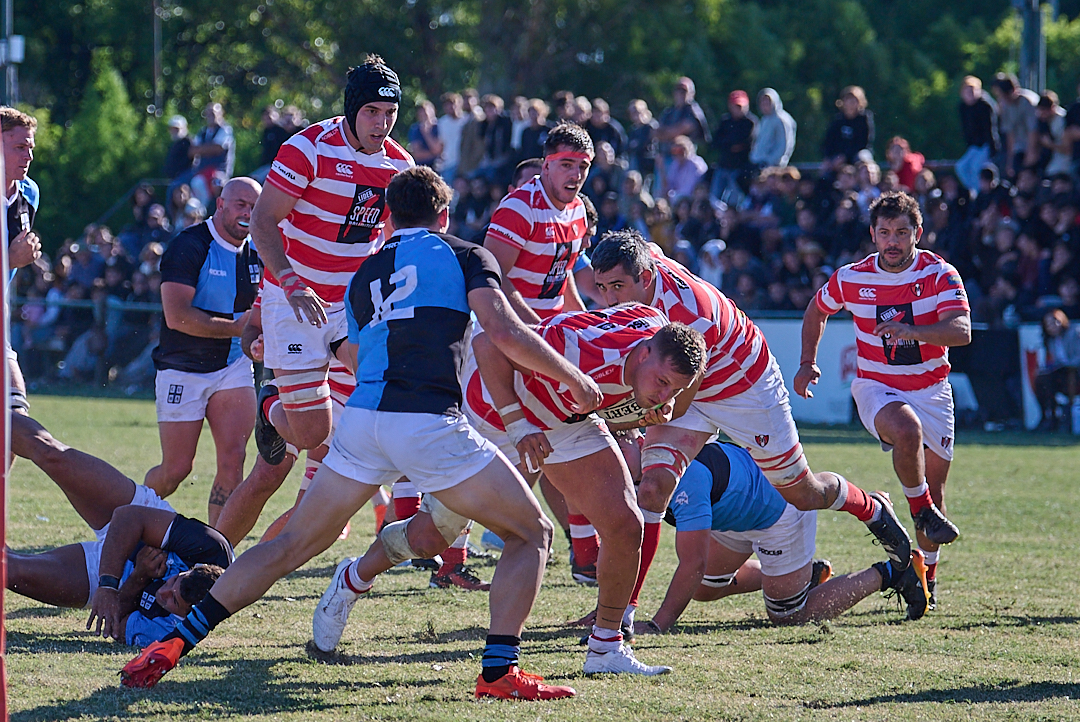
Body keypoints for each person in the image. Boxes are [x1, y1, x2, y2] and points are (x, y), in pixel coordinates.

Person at [121, 165, 604, 701]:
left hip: (362, 424)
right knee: (531, 533)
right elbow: (504, 330)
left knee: (288, 545)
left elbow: (353, 353)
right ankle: (498, 672)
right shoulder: (465, 254)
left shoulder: (366, 272)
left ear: (388, 217)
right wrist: (575, 378)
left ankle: (176, 642)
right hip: (428, 422)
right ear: (443, 215)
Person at [590, 230, 915, 629]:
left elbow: (678, 403)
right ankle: (621, 612)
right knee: (654, 488)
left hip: (743, 387)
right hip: (685, 380)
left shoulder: (692, 311)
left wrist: (620, 417)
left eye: (618, 287)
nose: (609, 300)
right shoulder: (645, 266)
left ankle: (870, 506)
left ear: (645, 276)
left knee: (804, 492)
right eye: (602, 288)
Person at [463, 303, 707, 674]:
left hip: (565, 418)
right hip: (497, 408)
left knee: (626, 525)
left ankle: (606, 648)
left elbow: (639, 378)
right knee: (431, 536)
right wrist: (516, 427)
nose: (666, 397)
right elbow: (487, 345)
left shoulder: (656, 333)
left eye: (675, 389)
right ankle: (353, 581)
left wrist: (647, 408)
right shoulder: (579, 351)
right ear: (643, 354)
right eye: (662, 384)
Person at [796, 191, 970, 609]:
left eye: (902, 233)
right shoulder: (853, 277)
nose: (893, 241)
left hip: (932, 389)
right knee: (906, 431)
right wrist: (807, 363)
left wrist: (914, 332)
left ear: (918, 234)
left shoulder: (940, 274)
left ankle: (924, 580)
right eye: (885, 233)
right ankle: (920, 508)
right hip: (877, 388)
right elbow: (816, 310)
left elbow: (962, 331)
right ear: (873, 234)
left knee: (937, 490)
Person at [249, 55, 414, 469]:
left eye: (390, 113)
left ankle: (343, 500)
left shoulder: (400, 166)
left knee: (390, 383)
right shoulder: (308, 149)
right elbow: (262, 221)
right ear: (351, 109)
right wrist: (290, 282)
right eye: (372, 112)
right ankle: (271, 403)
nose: (381, 123)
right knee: (311, 435)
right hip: (295, 300)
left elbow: (399, 239)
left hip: (351, 304)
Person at [7, 413, 231, 647]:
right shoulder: (212, 549)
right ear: (193, 568)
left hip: (123, 578)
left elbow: (118, 625)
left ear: (188, 616)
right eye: (173, 580)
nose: (163, 592)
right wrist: (107, 584)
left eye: (172, 600)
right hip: (137, 523)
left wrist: (137, 577)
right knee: (52, 454)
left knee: (10, 571)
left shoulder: (171, 632)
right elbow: (127, 516)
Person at [143, 178, 262, 527]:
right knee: (176, 470)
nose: (248, 213)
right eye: (240, 204)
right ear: (220, 204)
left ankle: (215, 546)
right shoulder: (189, 245)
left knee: (233, 458)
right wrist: (237, 328)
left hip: (233, 366)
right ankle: (122, 516)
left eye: (255, 208)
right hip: (183, 368)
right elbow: (176, 317)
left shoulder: (258, 251)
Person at [483, 122, 593, 323]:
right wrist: (537, 329)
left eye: (583, 167)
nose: (576, 176)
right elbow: (492, 277)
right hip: (511, 328)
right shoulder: (520, 206)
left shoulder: (578, 209)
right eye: (566, 165)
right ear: (547, 165)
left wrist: (584, 323)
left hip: (550, 327)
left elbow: (562, 274)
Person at [2, 107, 42, 420]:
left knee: (17, 420)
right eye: (18, 147)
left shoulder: (30, 192)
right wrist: (10, 259)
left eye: (30, 147)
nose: (27, 155)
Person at [1033, 309, 1080, 431]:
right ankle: (1048, 415)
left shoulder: (1074, 333)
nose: (1052, 327)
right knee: (1042, 380)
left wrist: (1065, 365)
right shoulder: (1052, 341)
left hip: (1075, 372)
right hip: (1062, 373)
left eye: (1055, 322)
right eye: (1048, 324)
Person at [710, 90, 757, 203]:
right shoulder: (725, 121)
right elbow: (715, 142)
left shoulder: (750, 122)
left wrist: (728, 144)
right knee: (714, 198)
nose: (738, 109)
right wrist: (730, 145)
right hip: (723, 165)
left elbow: (745, 143)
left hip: (739, 168)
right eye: (735, 106)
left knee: (734, 201)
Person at [990, 73, 1038, 179]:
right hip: (1019, 146)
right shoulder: (1005, 105)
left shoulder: (1027, 102)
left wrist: (1031, 153)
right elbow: (1010, 134)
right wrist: (1010, 162)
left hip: (1036, 145)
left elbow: (1033, 130)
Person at [956, 76, 998, 195]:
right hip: (974, 146)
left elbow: (991, 128)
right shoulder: (963, 107)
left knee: (976, 168)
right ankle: (974, 190)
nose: (971, 94)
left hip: (986, 144)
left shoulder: (985, 105)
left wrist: (993, 148)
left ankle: (981, 193)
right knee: (961, 167)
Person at [821, 86, 875, 167]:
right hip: (839, 155)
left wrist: (845, 156)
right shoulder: (838, 120)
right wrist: (830, 157)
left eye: (854, 100)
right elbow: (829, 142)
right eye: (848, 100)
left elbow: (864, 142)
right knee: (825, 166)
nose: (851, 103)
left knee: (863, 157)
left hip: (857, 154)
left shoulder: (864, 119)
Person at [749, 88, 796, 169]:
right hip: (759, 163)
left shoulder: (782, 119)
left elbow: (783, 145)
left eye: (767, 102)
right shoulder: (764, 120)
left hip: (773, 166)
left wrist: (770, 161)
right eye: (762, 102)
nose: (765, 105)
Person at [407, 99, 443, 169]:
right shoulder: (415, 129)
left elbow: (437, 149)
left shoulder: (439, 126)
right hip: (421, 166)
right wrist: (433, 154)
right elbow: (417, 154)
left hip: (438, 166)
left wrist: (427, 133)